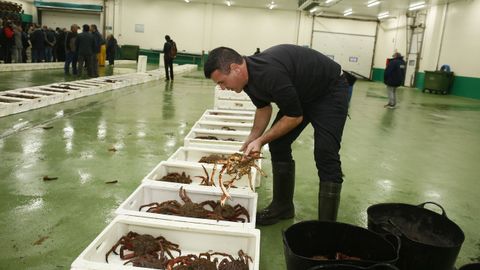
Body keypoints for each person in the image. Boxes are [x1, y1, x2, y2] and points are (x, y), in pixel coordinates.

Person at [204, 45, 349, 225]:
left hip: (330, 90)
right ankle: (283, 206)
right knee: (279, 144)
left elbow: (295, 117)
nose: (222, 88)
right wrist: (253, 138)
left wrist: (262, 140)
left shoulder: (269, 73)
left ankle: (327, 227)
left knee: (325, 153)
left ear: (235, 68)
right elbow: (263, 107)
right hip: (303, 93)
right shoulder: (246, 79)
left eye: (222, 82)